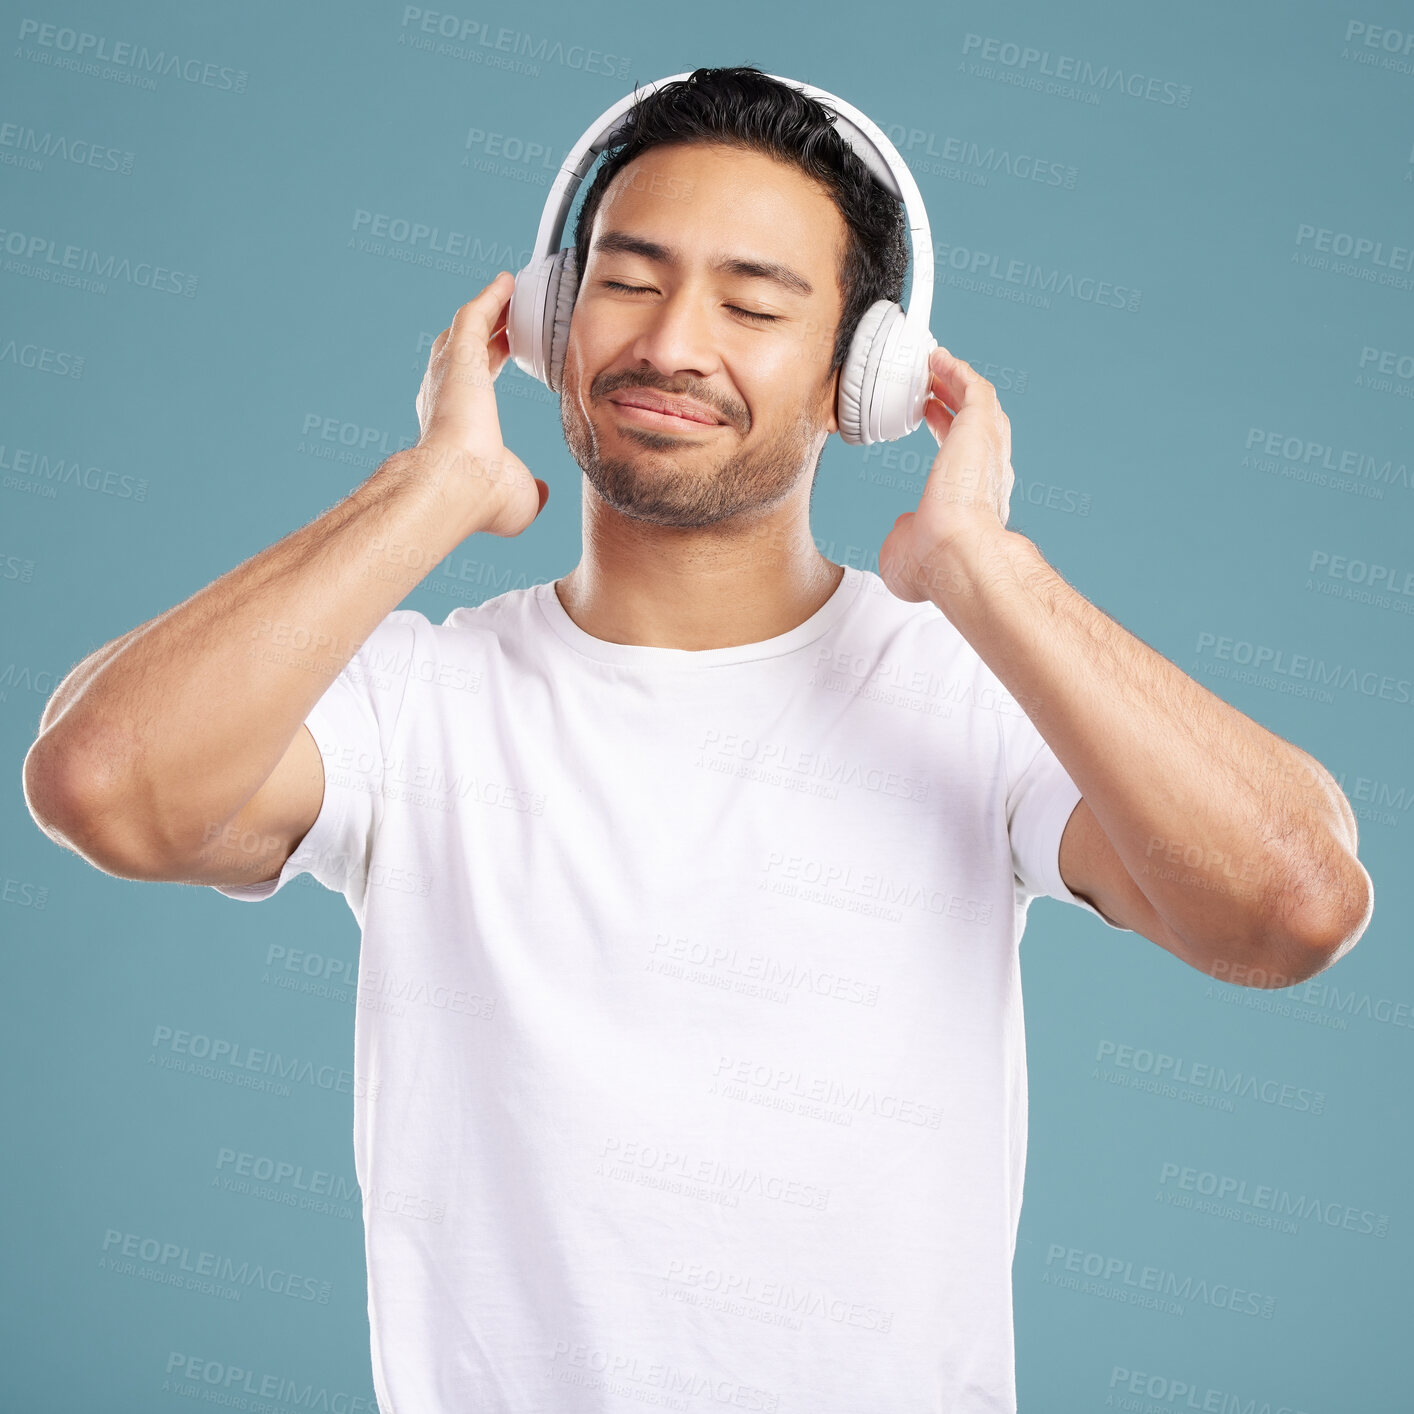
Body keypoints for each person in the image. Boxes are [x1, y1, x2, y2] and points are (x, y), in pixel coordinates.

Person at [22, 66, 1371, 1414]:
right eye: (625, 279)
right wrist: (429, 487)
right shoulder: (413, 704)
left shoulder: (970, 698)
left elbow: (1289, 904)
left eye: (753, 300)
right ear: (545, 319)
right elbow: (103, 784)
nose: (671, 341)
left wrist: (984, 569)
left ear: (866, 372)